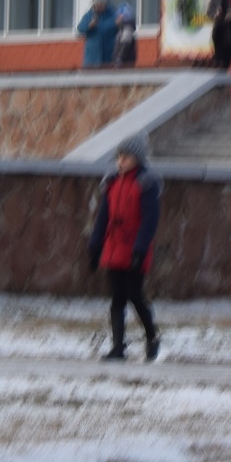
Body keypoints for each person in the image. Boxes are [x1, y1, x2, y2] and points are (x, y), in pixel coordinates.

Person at [84, 134, 161, 361]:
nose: (121, 161)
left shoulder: (145, 184)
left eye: (125, 157)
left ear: (137, 158)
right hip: (114, 246)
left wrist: (140, 249)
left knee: (135, 295)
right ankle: (118, 347)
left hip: (135, 248)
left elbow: (149, 221)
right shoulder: (112, 183)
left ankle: (152, 336)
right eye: (118, 157)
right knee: (117, 297)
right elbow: (102, 218)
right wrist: (95, 246)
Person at [76, 0, 120, 68]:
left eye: (100, 4)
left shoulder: (113, 14)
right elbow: (80, 28)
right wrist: (89, 26)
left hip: (108, 57)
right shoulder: (89, 14)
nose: (98, 6)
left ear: (106, 4)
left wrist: (119, 24)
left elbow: (122, 27)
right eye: (96, 3)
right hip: (92, 58)